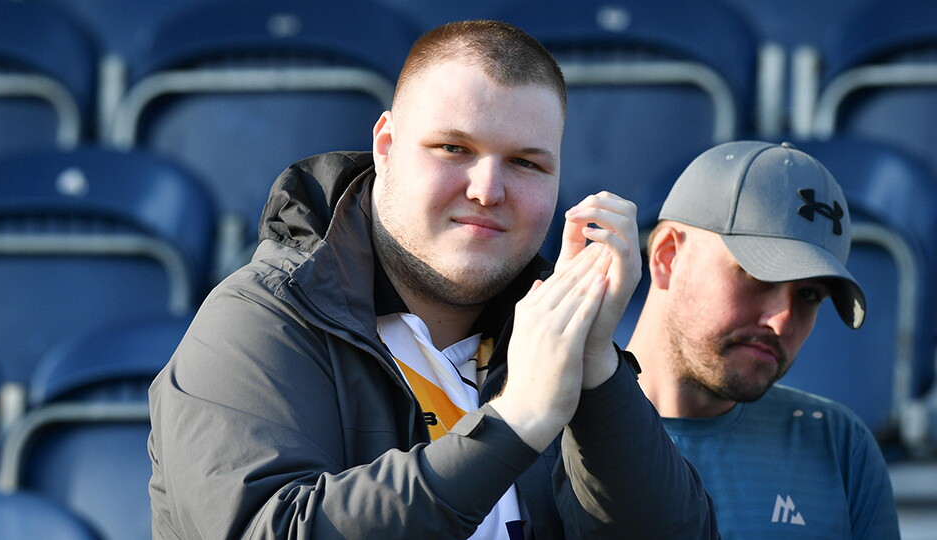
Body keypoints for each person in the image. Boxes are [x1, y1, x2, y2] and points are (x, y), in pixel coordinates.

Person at [147, 19, 718, 540]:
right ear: (387, 147)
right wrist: (515, 421)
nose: (487, 191)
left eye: (527, 163)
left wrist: (595, 366)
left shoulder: (546, 333)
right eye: (453, 148)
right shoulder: (260, 319)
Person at [627, 140, 901, 539]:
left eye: (810, 295)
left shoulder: (839, 445)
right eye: (760, 276)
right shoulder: (551, 425)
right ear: (668, 256)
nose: (783, 321)